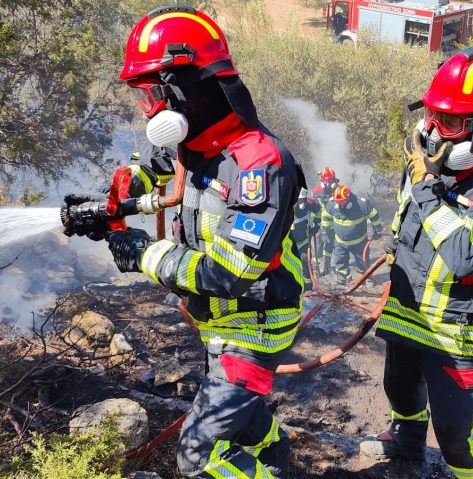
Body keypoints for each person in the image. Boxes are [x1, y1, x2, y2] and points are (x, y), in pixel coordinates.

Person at [63, 6, 305, 478]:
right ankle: (273, 457)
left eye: (152, 93)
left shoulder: (260, 165)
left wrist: (144, 254)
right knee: (244, 420)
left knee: (197, 455)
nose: (148, 107)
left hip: (254, 327)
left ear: (186, 88)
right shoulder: (197, 144)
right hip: (221, 322)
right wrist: (112, 201)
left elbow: (229, 273)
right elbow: (165, 176)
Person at [360, 47, 473, 479]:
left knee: (455, 432)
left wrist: (426, 187)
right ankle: (405, 442)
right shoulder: (424, 169)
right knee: (400, 391)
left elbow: (464, 257)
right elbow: (405, 223)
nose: (432, 133)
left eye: (449, 122)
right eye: (430, 117)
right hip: (406, 310)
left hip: (455, 329)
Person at [321, 185, 382, 285]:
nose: (339, 203)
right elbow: (326, 218)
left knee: (363, 261)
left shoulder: (361, 204)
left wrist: (377, 229)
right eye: (337, 201)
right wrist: (325, 232)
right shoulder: (332, 204)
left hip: (359, 242)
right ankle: (342, 277)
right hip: (340, 242)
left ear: (348, 197)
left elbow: (373, 214)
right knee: (340, 261)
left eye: (342, 201)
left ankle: (366, 277)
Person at [291, 189, 321, 291]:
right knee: (290, 266)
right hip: (288, 244)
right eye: (296, 200)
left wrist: (316, 225)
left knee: (305, 262)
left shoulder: (311, 205)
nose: (299, 202)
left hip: (303, 242)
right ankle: (293, 288)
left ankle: (308, 288)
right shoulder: (286, 207)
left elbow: (319, 211)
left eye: (301, 200)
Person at [311, 167, 339, 274]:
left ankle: (328, 266)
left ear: (334, 180)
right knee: (319, 245)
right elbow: (313, 210)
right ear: (321, 181)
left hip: (336, 223)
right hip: (322, 224)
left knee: (332, 246)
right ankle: (316, 267)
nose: (328, 182)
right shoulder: (316, 192)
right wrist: (315, 226)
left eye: (330, 180)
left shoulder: (339, 190)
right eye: (325, 180)